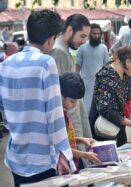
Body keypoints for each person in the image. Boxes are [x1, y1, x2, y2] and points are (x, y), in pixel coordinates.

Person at [0, 10, 75, 187]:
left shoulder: (5, 65)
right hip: (42, 160)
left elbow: (4, 110)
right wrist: (64, 152)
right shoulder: (45, 63)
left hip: (16, 156)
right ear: (51, 38)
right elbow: (55, 113)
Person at [50, 14, 92, 141]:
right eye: (82, 36)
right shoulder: (59, 52)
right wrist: (78, 138)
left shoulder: (63, 49)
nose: (84, 41)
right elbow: (67, 101)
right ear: (69, 30)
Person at [59, 72, 101, 171]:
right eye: (72, 101)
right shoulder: (57, 117)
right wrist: (85, 155)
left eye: (77, 101)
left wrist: (80, 140)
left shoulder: (64, 112)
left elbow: (66, 140)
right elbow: (61, 149)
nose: (75, 105)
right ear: (61, 95)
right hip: (64, 166)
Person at [76, 23, 109, 114]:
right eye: (94, 34)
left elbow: (107, 66)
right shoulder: (82, 48)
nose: (96, 36)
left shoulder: (104, 48)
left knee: (99, 109)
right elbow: (77, 66)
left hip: (100, 85)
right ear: (89, 34)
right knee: (86, 109)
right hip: (85, 84)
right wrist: (77, 80)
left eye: (98, 34)